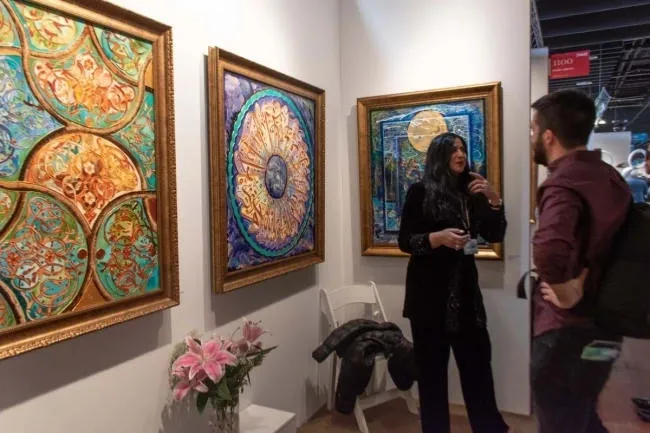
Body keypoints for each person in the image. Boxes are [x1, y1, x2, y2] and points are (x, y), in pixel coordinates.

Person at [530, 89, 632, 433]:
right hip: (608, 329)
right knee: (584, 415)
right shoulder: (610, 177)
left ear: (548, 135)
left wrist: (566, 289)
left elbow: (548, 249)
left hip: (566, 336)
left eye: (533, 131)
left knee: (563, 418)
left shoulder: (563, 182)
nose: (532, 139)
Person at [398, 132, 509, 433]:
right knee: (432, 380)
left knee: (478, 375)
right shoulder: (420, 192)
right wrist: (438, 239)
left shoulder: (472, 193)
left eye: (462, 148)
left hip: (466, 300)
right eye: (452, 150)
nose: (460, 154)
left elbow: (495, 234)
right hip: (428, 302)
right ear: (439, 156)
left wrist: (494, 199)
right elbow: (406, 242)